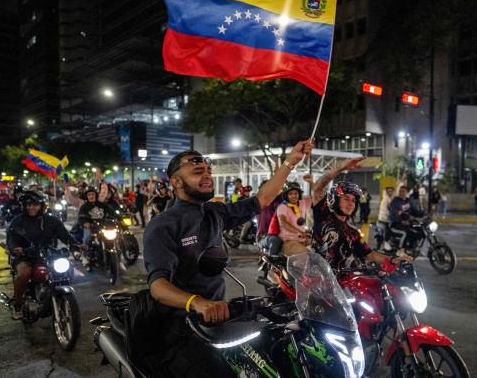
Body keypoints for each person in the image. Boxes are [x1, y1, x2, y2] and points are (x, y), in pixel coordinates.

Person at [142, 139, 312, 377]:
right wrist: (198, 303)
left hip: (220, 315)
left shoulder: (215, 212)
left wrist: (290, 161)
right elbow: (158, 287)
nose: (208, 176)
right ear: (176, 181)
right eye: (198, 172)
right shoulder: (163, 225)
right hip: (182, 325)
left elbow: (262, 199)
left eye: (209, 171)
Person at [309, 158, 413, 270]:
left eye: (353, 201)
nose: (351, 204)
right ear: (335, 200)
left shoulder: (352, 233)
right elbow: (318, 189)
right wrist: (340, 168)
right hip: (314, 279)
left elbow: (370, 255)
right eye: (346, 199)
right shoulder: (324, 214)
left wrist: (394, 259)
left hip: (338, 283)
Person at [6, 190, 80, 319]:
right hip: (25, 255)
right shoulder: (18, 221)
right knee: (24, 272)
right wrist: (15, 248)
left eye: (35, 204)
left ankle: (57, 294)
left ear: (41, 205)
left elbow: (65, 235)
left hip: (47, 253)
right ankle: (17, 304)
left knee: (67, 267)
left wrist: (74, 245)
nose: (31, 207)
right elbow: (11, 238)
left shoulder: (52, 220)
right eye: (28, 205)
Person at [276, 182, 311, 256]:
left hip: (303, 240)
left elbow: (317, 196)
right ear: (286, 195)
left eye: (296, 193)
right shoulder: (282, 207)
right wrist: (299, 232)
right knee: (305, 254)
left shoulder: (302, 203)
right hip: (289, 241)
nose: (294, 196)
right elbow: (283, 223)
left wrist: (311, 182)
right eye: (290, 194)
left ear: (299, 195)